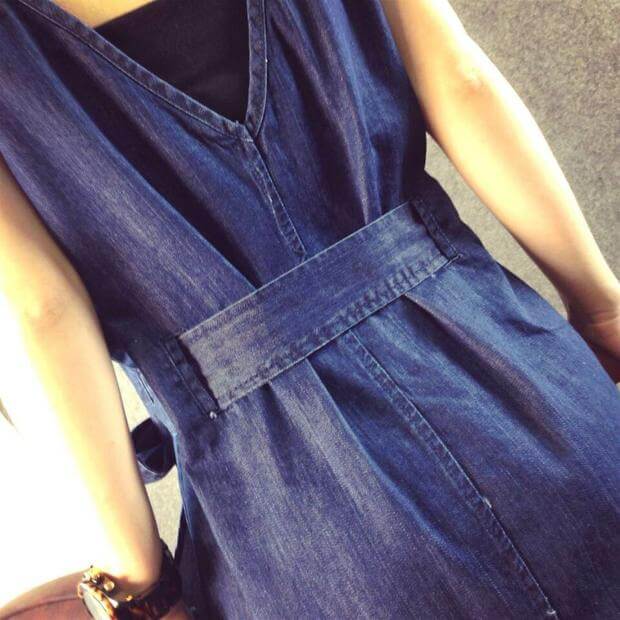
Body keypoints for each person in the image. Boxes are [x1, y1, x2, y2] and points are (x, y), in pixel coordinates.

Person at [0, 0, 618, 618]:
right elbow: (463, 83)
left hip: (296, 528)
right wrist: (602, 309)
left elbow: (45, 310)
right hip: (527, 394)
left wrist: (139, 582)